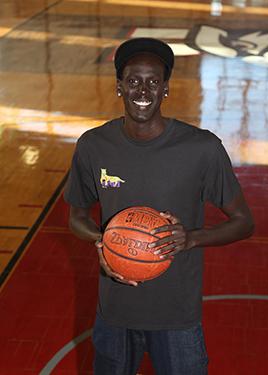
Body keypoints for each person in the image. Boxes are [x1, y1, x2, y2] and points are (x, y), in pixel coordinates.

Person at [64, 37, 254, 375]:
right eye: (133, 80)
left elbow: (243, 222)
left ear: (165, 88)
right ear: (119, 86)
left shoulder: (202, 148)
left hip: (176, 314)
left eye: (153, 81)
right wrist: (101, 242)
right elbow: (77, 215)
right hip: (115, 309)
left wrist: (191, 238)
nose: (143, 90)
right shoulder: (94, 145)